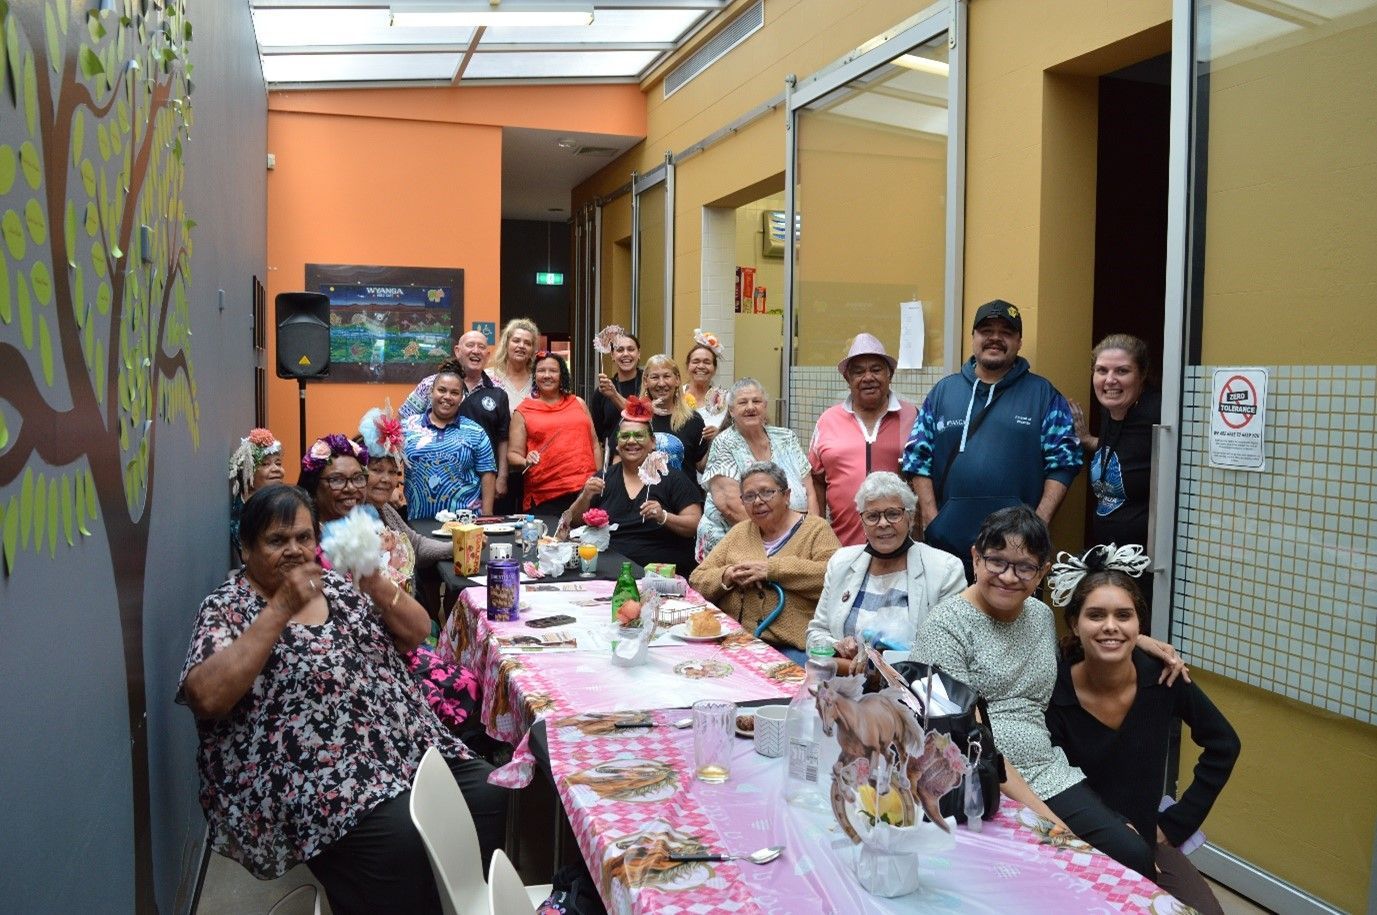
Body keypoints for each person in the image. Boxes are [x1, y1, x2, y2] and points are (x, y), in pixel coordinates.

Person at [177, 485, 507, 914]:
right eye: (276, 541)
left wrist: (372, 580)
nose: (294, 550)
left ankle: (457, 902)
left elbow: (416, 631)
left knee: (487, 791)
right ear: (245, 548)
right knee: (399, 835)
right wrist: (279, 609)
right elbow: (206, 696)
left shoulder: (338, 587)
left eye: (303, 538)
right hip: (314, 771)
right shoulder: (228, 606)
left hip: (401, 741)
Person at [910, 506, 1188, 885]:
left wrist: (1136, 639)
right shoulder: (946, 626)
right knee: (1060, 870)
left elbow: (1079, 643)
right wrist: (1056, 826)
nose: (1009, 577)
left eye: (1025, 567)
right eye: (996, 562)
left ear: (1042, 572)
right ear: (975, 558)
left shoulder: (1039, 615)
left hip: (1048, 770)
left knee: (1132, 856)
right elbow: (965, 745)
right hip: (978, 782)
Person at [1045, 545, 1240, 915]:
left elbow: (1224, 744)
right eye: (1095, 615)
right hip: (1077, 841)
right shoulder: (1053, 690)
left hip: (1149, 840)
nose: (1110, 627)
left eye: (1124, 615)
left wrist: (1175, 825)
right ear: (1074, 623)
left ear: (1139, 625)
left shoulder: (1163, 677)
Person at [900, 299, 1083, 578]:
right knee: (949, 620)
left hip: (1017, 553)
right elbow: (917, 457)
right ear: (973, 337)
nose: (995, 338)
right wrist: (932, 520)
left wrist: (1039, 524)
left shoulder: (1044, 395)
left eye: (1006, 332)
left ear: (1019, 341)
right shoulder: (943, 393)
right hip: (946, 549)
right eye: (986, 330)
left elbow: (1065, 463)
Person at [807, 471, 964, 672]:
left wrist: (878, 665)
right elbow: (815, 634)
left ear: (910, 517)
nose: (883, 523)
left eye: (893, 514)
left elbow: (947, 651)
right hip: (842, 688)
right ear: (862, 522)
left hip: (910, 694)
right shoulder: (841, 563)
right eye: (872, 516)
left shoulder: (944, 570)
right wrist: (835, 646)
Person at [690, 461, 839, 662]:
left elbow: (835, 578)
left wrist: (772, 570)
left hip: (793, 647)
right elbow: (697, 579)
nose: (758, 501)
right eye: (749, 496)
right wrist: (728, 575)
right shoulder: (740, 532)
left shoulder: (816, 530)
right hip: (738, 639)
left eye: (767, 492)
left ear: (786, 495)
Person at [1069, 334, 1161, 618]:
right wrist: (1087, 440)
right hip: (1112, 562)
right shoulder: (1113, 410)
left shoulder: (1158, 414)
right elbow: (1126, 454)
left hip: (1148, 570)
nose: (1110, 380)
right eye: (1102, 370)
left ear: (1142, 375)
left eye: (1122, 371)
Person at [562, 406, 704, 573]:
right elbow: (572, 521)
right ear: (617, 444)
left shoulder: (673, 478)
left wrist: (664, 516)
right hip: (609, 570)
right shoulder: (603, 478)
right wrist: (585, 496)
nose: (631, 441)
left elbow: (695, 524)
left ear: (652, 443)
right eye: (625, 436)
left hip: (659, 573)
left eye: (638, 436)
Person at [809, 334, 918, 546]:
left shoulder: (912, 416)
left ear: (890, 374)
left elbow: (924, 479)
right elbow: (816, 479)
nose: (868, 377)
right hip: (841, 544)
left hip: (900, 547)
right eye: (858, 372)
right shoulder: (827, 420)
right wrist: (818, 534)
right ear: (847, 379)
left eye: (876, 369)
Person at [696, 378, 819, 562]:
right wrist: (783, 539)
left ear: (765, 406)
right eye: (743, 402)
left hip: (796, 539)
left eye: (756, 401)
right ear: (731, 410)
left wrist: (811, 534)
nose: (750, 407)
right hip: (736, 545)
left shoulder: (786, 437)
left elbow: (809, 492)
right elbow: (731, 507)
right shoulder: (724, 443)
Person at [399, 330, 512, 509]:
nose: (476, 351)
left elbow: (503, 436)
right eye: (470, 345)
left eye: (481, 347)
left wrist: (502, 476)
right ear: (458, 351)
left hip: (481, 481)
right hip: (431, 483)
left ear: (488, 355)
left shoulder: (498, 388)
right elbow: (401, 424)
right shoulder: (430, 384)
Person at [509, 350, 601, 515]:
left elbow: (594, 444)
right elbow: (513, 454)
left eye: (553, 371)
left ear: (562, 375)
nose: (547, 375)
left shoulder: (578, 403)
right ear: (534, 376)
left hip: (584, 491)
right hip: (545, 494)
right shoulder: (523, 410)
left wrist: (600, 478)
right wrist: (525, 460)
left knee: (585, 540)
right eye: (541, 371)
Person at [401, 368, 497, 518]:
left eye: (454, 393)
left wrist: (487, 514)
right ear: (431, 392)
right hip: (418, 520)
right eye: (442, 390)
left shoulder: (476, 431)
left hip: (465, 524)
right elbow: (390, 464)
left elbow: (488, 474)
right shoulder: (407, 427)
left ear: (461, 398)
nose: (447, 397)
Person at [640, 353, 708, 475]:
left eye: (667, 376)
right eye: (655, 377)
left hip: (684, 493)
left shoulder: (693, 420)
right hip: (646, 493)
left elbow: (702, 467)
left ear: (677, 380)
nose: (661, 383)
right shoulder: (635, 419)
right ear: (645, 381)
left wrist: (715, 440)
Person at [228, 427, 284, 560]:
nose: (276, 469)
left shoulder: (281, 501)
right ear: (247, 472)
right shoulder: (244, 511)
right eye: (265, 464)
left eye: (278, 463)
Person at [590, 330, 643, 457]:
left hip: (646, 460)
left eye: (631, 349)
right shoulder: (601, 392)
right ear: (613, 355)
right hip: (614, 461)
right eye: (620, 350)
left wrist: (614, 395)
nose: (626, 354)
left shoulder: (650, 384)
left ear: (639, 354)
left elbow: (646, 418)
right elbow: (599, 437)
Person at [683, 328, 728, 444]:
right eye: (696, 361)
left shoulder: (725, 398)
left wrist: (719, 433)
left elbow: (736, 433)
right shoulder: (677, 395)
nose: (701, 366)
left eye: (707, 362)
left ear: (714, 369)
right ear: (688, 366)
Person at [487, 317, 540, 410]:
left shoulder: (539, 382)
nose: (521, 346)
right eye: (516, 341)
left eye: (527, 343)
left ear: (532, 350)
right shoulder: (488, 378)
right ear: (506, 344)